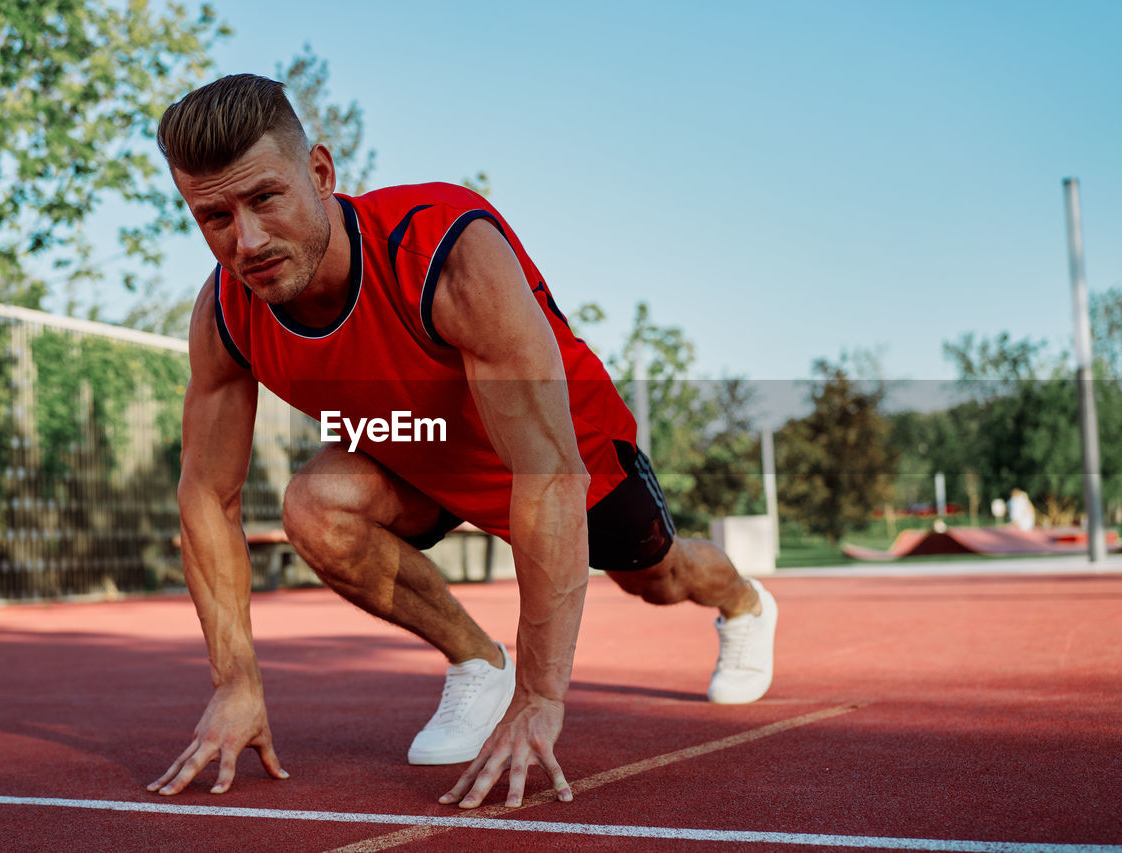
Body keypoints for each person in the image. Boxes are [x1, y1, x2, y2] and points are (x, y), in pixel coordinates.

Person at [146, 74, 778, 810]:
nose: (245, 240)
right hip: (416, 451)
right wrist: (235, 681)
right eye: (213, 215)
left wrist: (543, 696)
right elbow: (207, 496)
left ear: (320, 173)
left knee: (659, 579)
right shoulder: (226, 313)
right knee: (316, 505)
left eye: (264, 199)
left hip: (561, 453)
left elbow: (547, 473)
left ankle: (745, 603)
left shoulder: (444, 248)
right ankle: (479, 661)